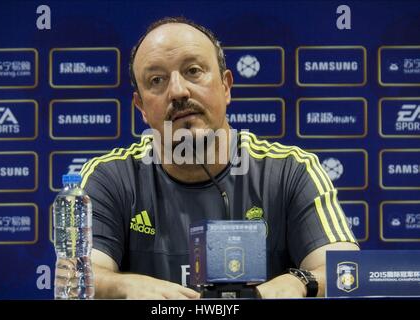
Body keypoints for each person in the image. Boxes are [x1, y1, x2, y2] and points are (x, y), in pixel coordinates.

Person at [80, 16, 359, 299]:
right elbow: (79, 274)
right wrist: (124, 286)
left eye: (193, 71)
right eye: (156, 80)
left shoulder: (291, 171)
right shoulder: (110, 177)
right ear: (140, 107)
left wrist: (299, 282)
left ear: (226, 86)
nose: (178, 91)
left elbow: (348, 270)